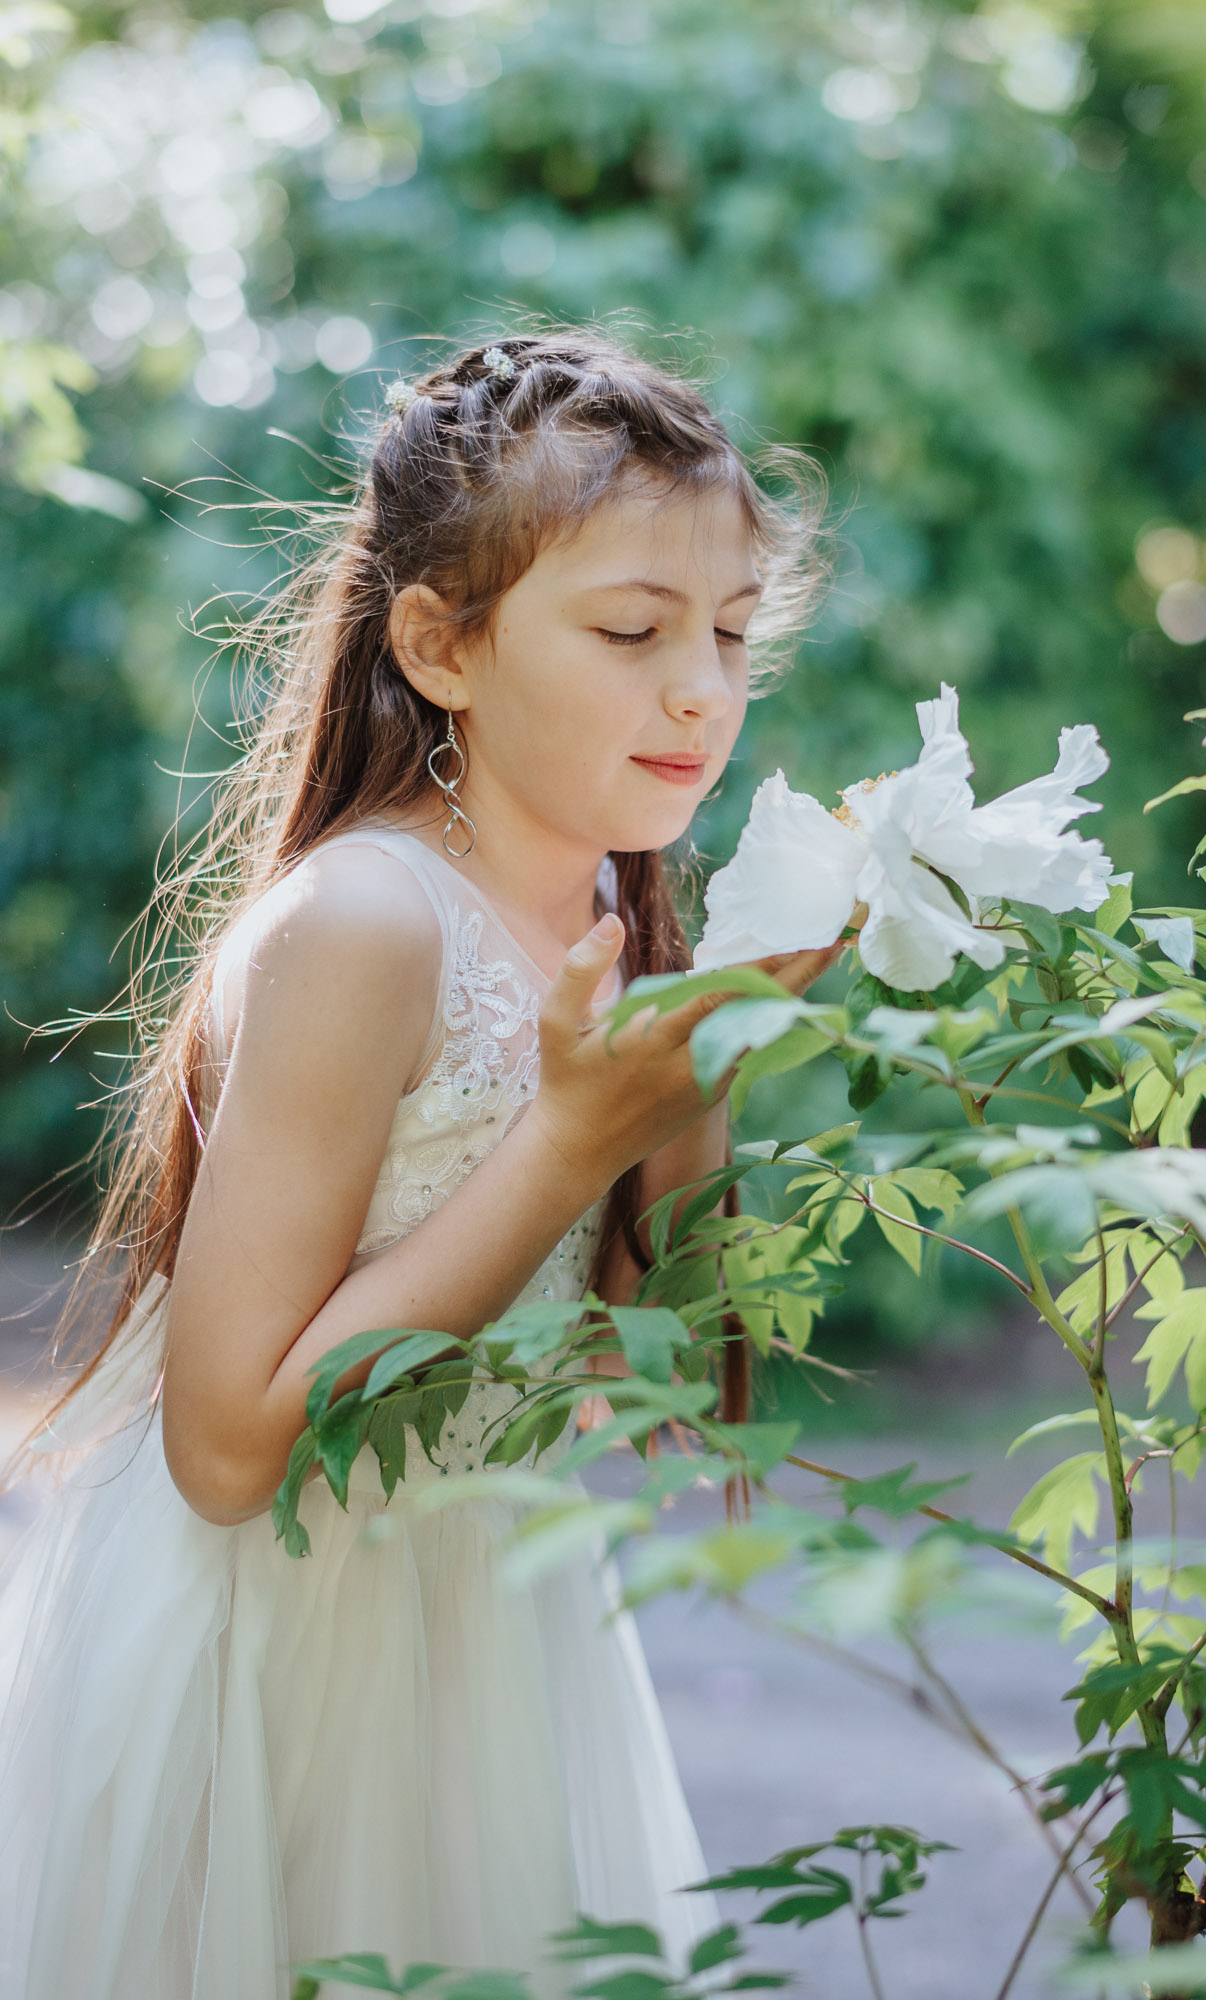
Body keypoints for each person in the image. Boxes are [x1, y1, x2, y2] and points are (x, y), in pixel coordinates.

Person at [0, 327, 838, 1999]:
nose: (702, 690)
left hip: (492, 1617)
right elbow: (230, 1449)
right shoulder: (364, 922)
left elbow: (625, 1379)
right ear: (443, 649)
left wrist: (703, 1071)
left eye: (734, 637)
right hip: (289, 1641)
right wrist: (569, 1138)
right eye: (632, 631)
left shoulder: (604, 913)